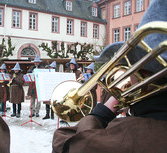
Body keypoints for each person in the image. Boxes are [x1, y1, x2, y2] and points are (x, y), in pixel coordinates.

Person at [52, 1, 167, 152]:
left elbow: (64, 145)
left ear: (142, 72)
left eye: (131, 66)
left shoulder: (126, 133)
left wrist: (100, 115)